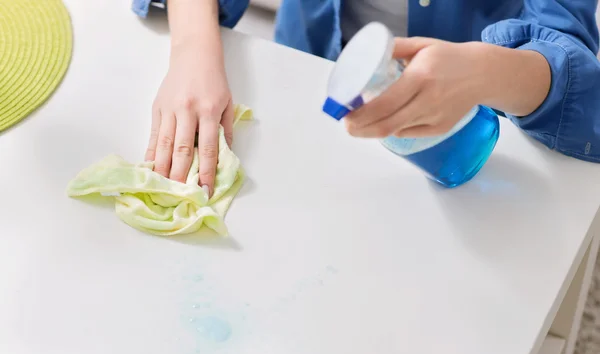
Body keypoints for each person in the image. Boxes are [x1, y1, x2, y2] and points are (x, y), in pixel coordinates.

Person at [132, 0, 600, 196]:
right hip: (308, 78)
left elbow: (574, 65)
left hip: (477, 127)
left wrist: (485, 71)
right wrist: (193, 48)